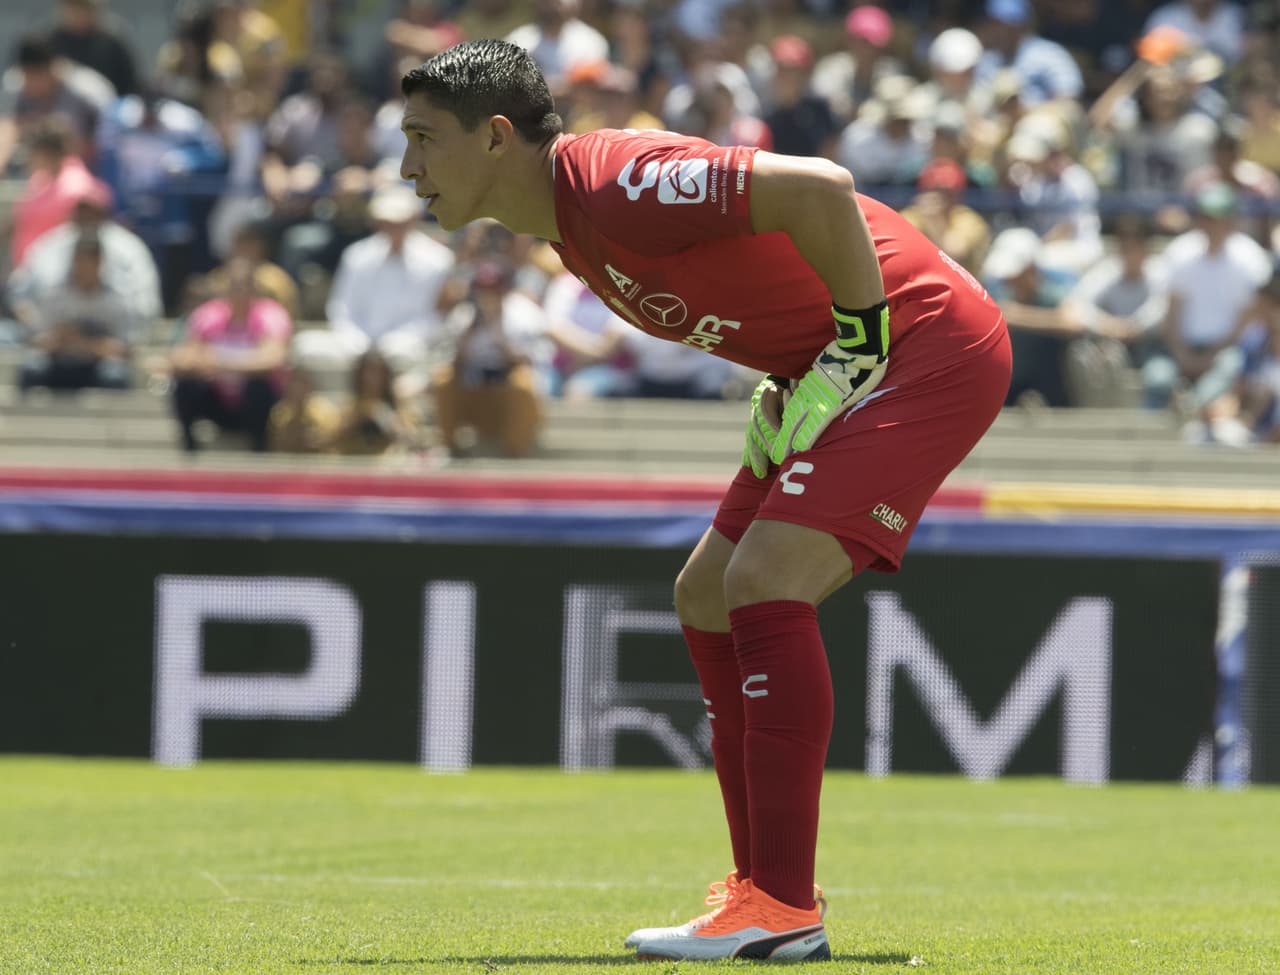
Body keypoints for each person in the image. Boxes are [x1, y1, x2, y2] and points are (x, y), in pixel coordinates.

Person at [397, 39, 1011, 961]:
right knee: (706, 593)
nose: (406, 167)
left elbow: (821, 188)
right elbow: (763, 270)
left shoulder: (615, 185)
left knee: (765, 579)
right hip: (850, 356)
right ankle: (759, 890)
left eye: (420, 138)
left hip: (927, 346)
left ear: (492, 137)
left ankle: (784, 906)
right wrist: (792, 370)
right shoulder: (570, 228)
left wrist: (848, 346)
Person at [168, 257, 292, 452]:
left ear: (254, 288)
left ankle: (259, 449)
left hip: (256, 406)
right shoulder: (208, 314)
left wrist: (219, 361)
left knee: (258, 388)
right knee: (186, 386)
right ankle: (189, 448)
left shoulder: (271, 315)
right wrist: (243, 361)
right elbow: (184, 358)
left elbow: (273, 359)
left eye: (244, 286)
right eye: (234, 286)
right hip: (218, 400)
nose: (239, 293)